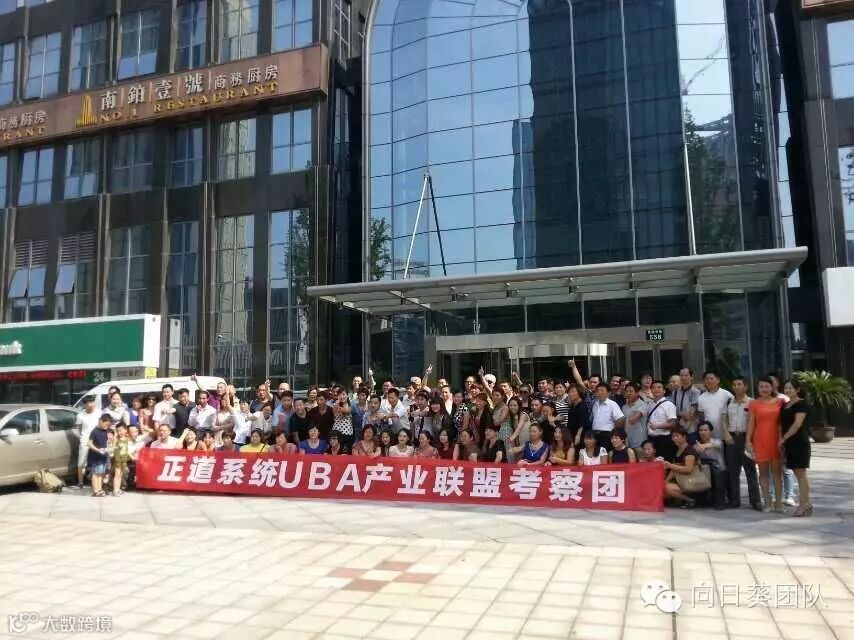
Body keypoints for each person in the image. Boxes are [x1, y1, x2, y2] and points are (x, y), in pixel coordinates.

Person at [722, 377, 761, 510]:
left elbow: (754, 422)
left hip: (746, 438)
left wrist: (750, 441)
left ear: (746, 387)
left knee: (750, 470)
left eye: (739, 384)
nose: (736, 387)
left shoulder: (752, 402)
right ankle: (734, 500)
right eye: (734, 384)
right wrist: (726, 433)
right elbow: (724, 419)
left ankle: (755, 501)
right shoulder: (729, 401)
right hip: (732, 438)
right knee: (733, 471)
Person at [747, 377, 784, 512]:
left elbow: (783, 422)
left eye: (766, 386)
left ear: (772, 387)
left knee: (777, 473)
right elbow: (751, 423)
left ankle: (779, 503)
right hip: (760, 439)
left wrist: (782, 439)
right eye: (761, 386)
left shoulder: (780, 402)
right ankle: (767, 502)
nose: (764, 389)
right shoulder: (753, 403)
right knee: (763, 473)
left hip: (776, 440)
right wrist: (748, 441)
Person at [780, 379, 812, 517]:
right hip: (789, 443)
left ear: (797, 389)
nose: (787, 390)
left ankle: (803, 505)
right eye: (786, 388)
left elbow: (797, 424)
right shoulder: (786, 404)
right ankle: (807, 504)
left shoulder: (802, 404)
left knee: (801, 474)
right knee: (798, 474)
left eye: (790, 388)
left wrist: (784, 438)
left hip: (799, 442)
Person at [664, 427, 701, 508]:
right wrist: (666, 481)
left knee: (665, 488)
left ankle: (691, 500)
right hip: (680, 480)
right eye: (673, 436)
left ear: (684, 437)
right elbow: (675, 469)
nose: (674, 438)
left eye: (677, 436)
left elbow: (688, 469)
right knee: (662, 490)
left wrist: (670, 465)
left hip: (690, 481)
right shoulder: (677, 449)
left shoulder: (689, 451)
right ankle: (680, 499)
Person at [694, 421, 727, 510]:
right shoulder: (696, 445)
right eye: (701, 430)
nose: (703, 432)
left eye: (705, 430)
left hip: (717, 467)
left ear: (711, 431)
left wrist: (703, 446)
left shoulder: (717, 441)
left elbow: (715, 445)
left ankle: (720, 503)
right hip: (704, 467)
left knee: (718, 473)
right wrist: (698, 449)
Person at [696, 371, 733, 441]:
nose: (709, 381)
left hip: (726, 435)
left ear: (718, 380)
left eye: (711, 378)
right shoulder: (701, 398)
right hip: (709, 437)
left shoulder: (727, 395)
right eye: (707, 379)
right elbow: (701, 417)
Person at [647, 380, 678, 461]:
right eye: (653, 388)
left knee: (664, 464)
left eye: (659, 387)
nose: (656, 389)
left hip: (664, 439)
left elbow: (673, 423)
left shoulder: (669, 405)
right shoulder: (650, 404)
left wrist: (657, 426)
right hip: (651, 439)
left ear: (664, 390)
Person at [589, 383, 625, 452]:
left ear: (608, 393)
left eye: (602, 390)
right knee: (596, 455)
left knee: (605, 455)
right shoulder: (595, 404)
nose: (599, 392)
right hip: (595, 435)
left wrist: (613, 433)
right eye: (598, 390)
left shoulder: (612, 404)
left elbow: (621, 419)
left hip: (607, 435)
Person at [75, 396, 101, 488]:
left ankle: (97, 481)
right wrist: (82, 438)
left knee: (98, 461)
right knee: (81, 462)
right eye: (88, 403)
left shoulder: (99, 412)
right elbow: (78, 429)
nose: (90, 405)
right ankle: (80, 481)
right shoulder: (80, 415)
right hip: (85, 440)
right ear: (84, 405)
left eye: (92, 402)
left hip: (97, 440)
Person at [87, 415, 112, 497]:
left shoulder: (105, 431)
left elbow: (107, 441)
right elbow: (89, 443)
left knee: (101, 473)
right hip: (96, 456)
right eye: (106, 424)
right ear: (101, 421)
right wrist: (98, 450)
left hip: (103, 455)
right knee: (95, 473)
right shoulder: (95, 431)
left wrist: (109, 444)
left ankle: (99, 489)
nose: (107, 426)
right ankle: (95, 490)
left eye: (108, 425)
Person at [672, 368, 701, 441]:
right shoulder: (675, 392)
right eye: (681, 375)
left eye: (686, 375)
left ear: (691, 377)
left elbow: (691, 415)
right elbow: (673, 411)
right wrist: (682, 413)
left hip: (691, 428)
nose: (683, 378)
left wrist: (680, 413)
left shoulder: (695, 392)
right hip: (678, 428)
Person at [621, 382, 648, 451]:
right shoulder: (624, 407)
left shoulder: (643, 405)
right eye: (627, 391)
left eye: (631, 391)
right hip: (627, 443)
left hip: (640, 443)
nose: (628, 393)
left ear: (637, 393)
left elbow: (632, 419)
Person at [110, 424, 131, 496]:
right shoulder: (117, 439)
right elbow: (113, 446)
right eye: (118, 431)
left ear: (125, 430)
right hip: (117, 460)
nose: (120, 432)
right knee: (117, 474)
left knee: (120, 475)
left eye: (121, 430)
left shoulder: (127, 439)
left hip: (124, 459)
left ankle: (118, 489)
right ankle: (115, 490)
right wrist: (115, 436)